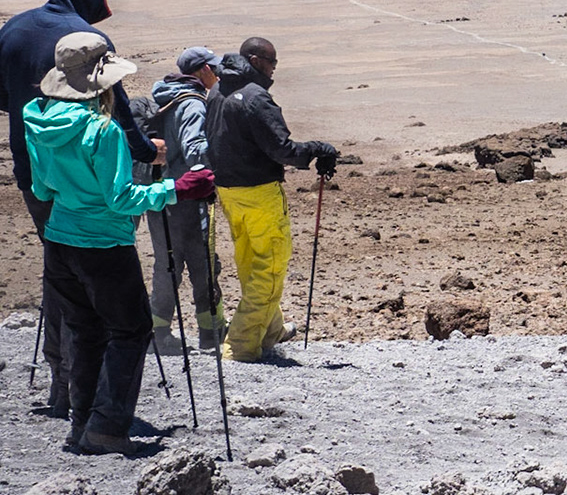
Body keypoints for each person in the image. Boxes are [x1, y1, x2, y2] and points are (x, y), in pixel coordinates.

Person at [23, 34, 215, 455]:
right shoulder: (103, 130)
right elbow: (122, 198)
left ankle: (83, 425)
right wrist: (177, 188)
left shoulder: (36, 119)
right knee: (131, 331)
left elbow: (42, 186)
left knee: (86, 331)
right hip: (104, 246)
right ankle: (107, 427)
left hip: (60, 242)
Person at [0, 0, 159, 418]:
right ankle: (97, 404)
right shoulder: (85, 37)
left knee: (60, 270)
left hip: (36, 174)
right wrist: (148, 152)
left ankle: (62, 384)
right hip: (88, 172)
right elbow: (118, 108)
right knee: (99, 279)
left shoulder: (13, 28)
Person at [205, 38, 337, 362]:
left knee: (251, 262)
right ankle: (241, 346)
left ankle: (271, 329)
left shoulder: (216, 92)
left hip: (228, 194)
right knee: (270, 268)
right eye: (272, 63)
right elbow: (282, 149)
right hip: (260, 193)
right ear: (255, 59)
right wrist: (320, 149)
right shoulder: (254, 98)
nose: (274, 70)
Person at [145, 48, 226, 351]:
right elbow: (195, 150)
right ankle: (211, 332)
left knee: (167, 264)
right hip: (187, 197)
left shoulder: (164, 95)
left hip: (158, 195)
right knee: (204, 264)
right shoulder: (192, 103)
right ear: (204, 69)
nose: (217, 76)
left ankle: (158, 331)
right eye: (214, 69)